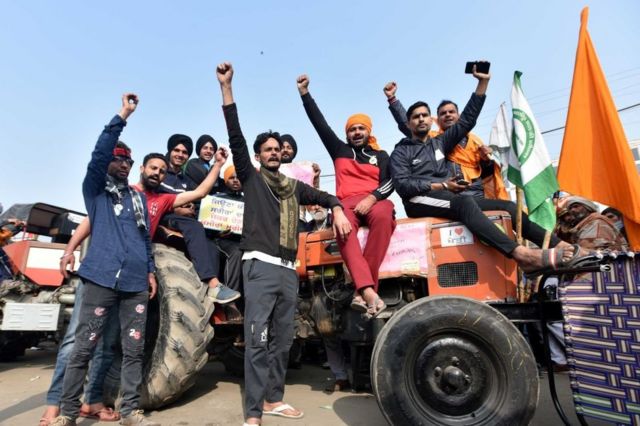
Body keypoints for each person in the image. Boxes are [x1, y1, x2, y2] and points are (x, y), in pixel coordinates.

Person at [216, 61, 352, 425]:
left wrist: (338, 208)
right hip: (259, 268)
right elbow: (236, 137)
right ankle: (254, 411)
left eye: (278, 148)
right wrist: (227, 89)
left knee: (283, 341)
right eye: (268, 149)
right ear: (259, 156)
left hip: (288, 273)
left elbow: (325, 199)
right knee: (257, 339)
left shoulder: (294, 188)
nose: (274, 152)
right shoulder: (252, 178)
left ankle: (275, 399)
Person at [389, 64, 579, 276]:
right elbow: (403, 185)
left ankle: (558, 245)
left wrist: (482, 83)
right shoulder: (400, 152)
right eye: (416, 116)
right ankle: (521, 255)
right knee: (464, 201)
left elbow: (468, 120)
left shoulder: (440, 142)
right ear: (409, 123)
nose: (422, 119)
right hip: (419, 200)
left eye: (425, 115)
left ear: (430, 119)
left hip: (447, 195)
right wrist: (442, 185)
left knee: (507, 206)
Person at [50, 93, 159, 426]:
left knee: (132, 350)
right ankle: (67, 413)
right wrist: (122, 115)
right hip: (99, 279)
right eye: (119, 158)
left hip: (135, 285)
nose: (124, 163)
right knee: (83, 348)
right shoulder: (96, 191)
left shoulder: (136, 199)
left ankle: (129, 411)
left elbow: (144, 239)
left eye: (128, 160)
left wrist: (151, 272)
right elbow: (98, 155)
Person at [297, 74, 395, 317]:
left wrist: (372, 198)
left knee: (385, 217)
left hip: (374, 200)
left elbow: (391, 181)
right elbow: (319, 123)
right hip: (345, 204)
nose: (357, 132)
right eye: (352, 129)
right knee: (343, 229)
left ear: (368, 130)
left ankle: (362, 291)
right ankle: (369, 291)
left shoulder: (380, 155)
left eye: (361, 128)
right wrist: (305, 94)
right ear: (347, 134)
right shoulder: (339, 150)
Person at [40, 219, 121, 426]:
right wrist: (69, 251)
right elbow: (90, 220)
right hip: (96, 271)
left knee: (107, 343)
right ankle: (54, 403)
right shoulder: (117, 196)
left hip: (124, 279)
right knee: (75, 339)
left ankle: (92, 401)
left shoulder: (156, 202)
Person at [383, 81, 508, 200]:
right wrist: (393, 100)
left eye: (451, 112)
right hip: (446, 193)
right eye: (443, 113)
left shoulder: (475, 142)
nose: (448, 115)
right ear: (435, 120)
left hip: (475, 192)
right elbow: (408, 123)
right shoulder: (433, 140)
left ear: (459, 116)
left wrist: (486, 160)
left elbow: (487, 174)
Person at [155, 134, 239, 303]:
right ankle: (212, 283)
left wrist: (193, 207)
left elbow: (202, 194)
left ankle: (206, 295)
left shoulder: (187, 181)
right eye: (176, 150)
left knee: (212, 248)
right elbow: (151, 198)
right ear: (169, 151)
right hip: (162, 218)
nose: (180, 154)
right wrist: (176, 208)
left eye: (184, 152)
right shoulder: (160, 172)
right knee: (195, 227)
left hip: (184, 221)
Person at [558, 196, 628, 251]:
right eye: (570, 208)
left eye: (576, 206)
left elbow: (589, 250)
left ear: (587, 207)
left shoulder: (597, 222)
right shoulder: (583, 225)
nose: (572, 210)